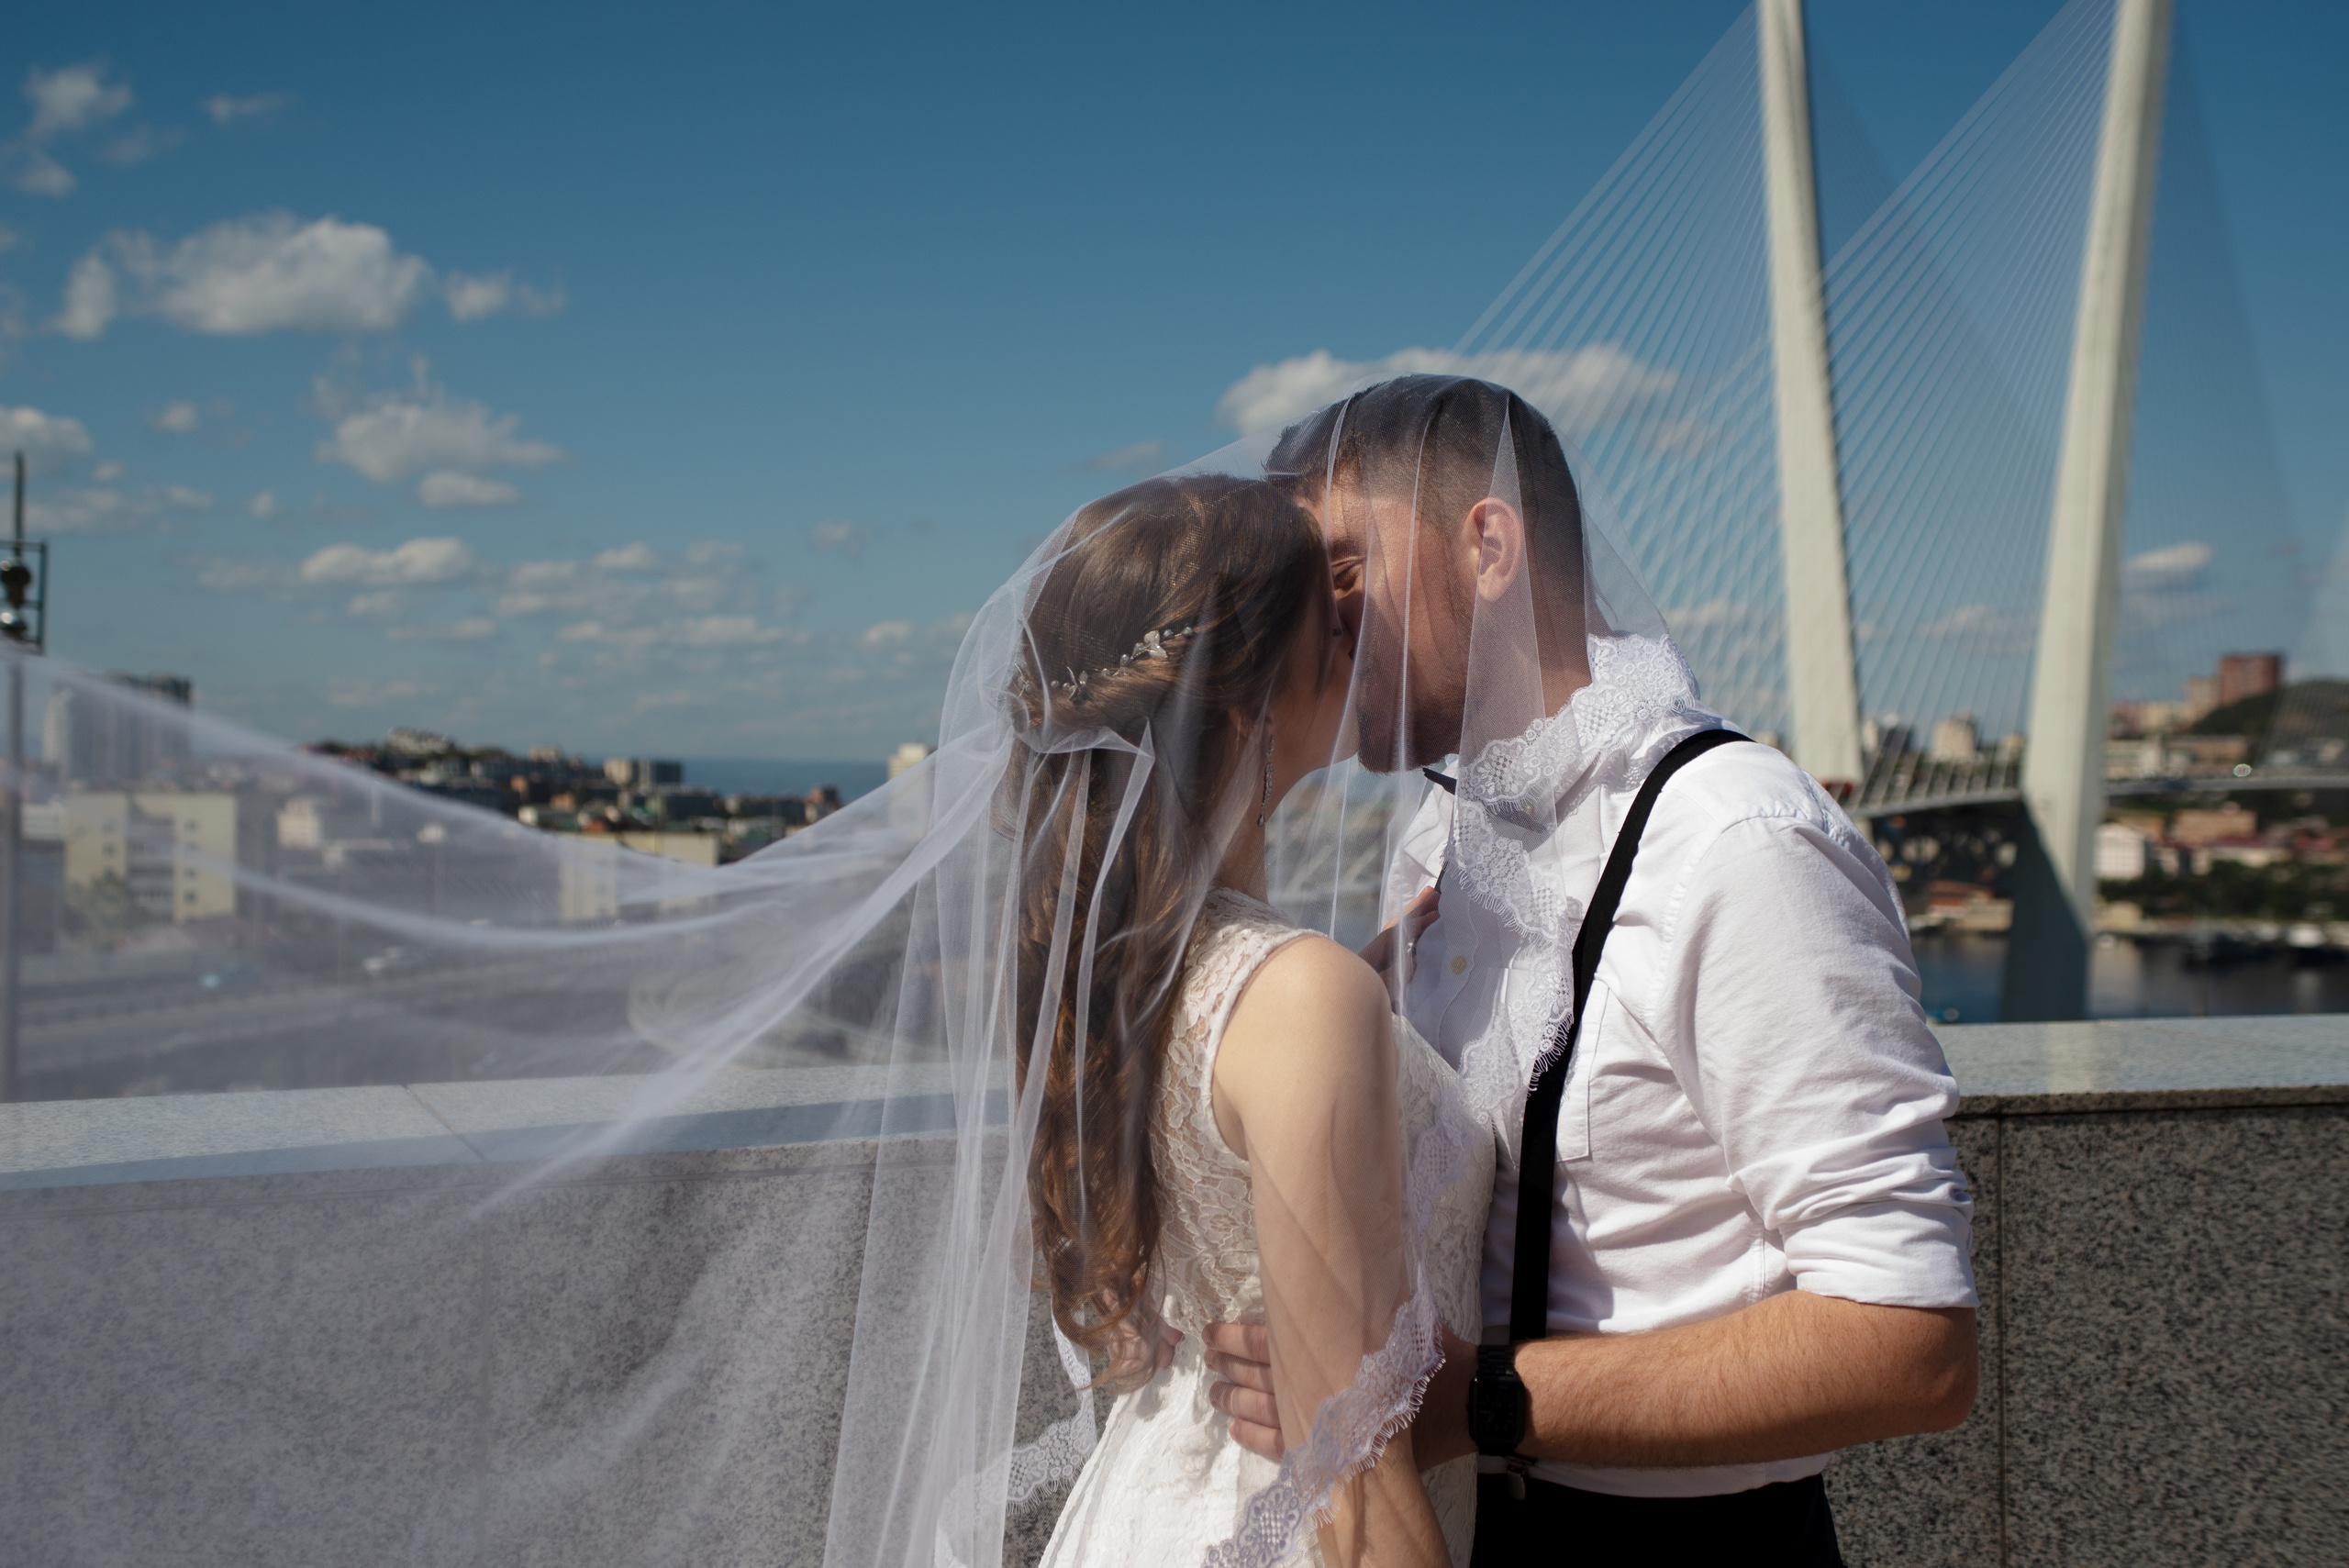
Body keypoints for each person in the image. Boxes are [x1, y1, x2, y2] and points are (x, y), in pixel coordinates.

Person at [1198, 376, 1978, 1567]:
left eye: (1345, 572)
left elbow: (1910, 1343)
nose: (1317, 619)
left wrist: (1466, 1404)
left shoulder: (1737, 845)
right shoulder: (1442, 837)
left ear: (1491, 547)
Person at [1012, 474, 1496, 1568]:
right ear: (1247, 712)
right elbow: (1352, 1473)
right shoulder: (1294, 993)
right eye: (1326, 624)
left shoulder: (1124, 963)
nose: (1356, 630)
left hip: (1151, 1502)